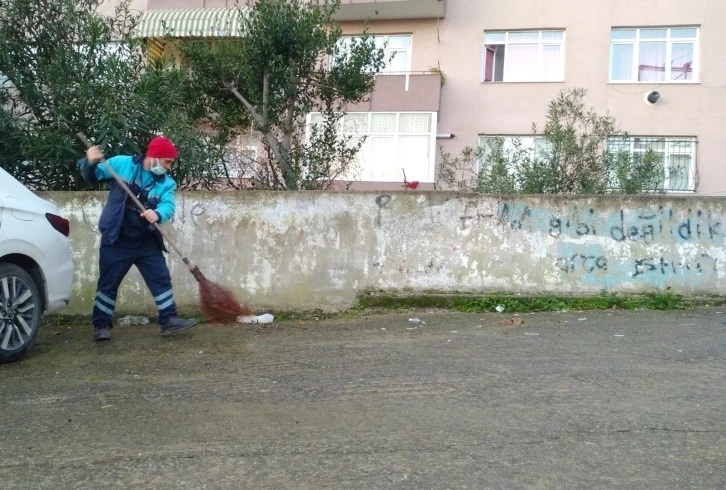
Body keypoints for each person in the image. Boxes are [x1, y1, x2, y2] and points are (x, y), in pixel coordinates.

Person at [78, 136, 197, 341]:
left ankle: (168, 320)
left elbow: (168, 206)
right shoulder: (121, 164)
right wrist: (90, 161)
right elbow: (92, 176)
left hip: (145, 240)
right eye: (167, 162)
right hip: (117, 238)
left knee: (160, 278)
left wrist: (158, 213)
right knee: (109, 283)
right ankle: (101, 326)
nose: (168, 167)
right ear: (155, 156)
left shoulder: (166, 183)